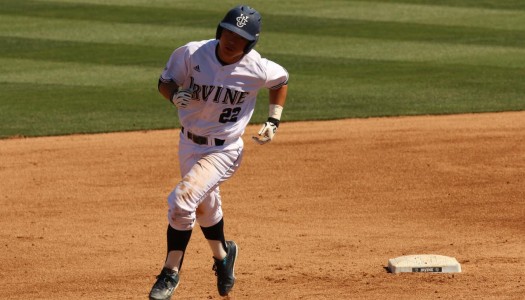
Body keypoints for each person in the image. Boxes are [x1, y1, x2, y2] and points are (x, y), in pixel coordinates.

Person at [148, 5, 289, 300]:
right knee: (203, 206)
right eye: (228, 32)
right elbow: (164, 82)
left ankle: (170, 272)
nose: (231, 39)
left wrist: (273, 120)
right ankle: (224, 257)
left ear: (250, 43)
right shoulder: (191, 54)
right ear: (219, 30)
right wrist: (174, 95)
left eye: (239, 37)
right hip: (188, 144)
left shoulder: (257, 67)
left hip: (224, 150)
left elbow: (281, 81)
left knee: (182, 200)